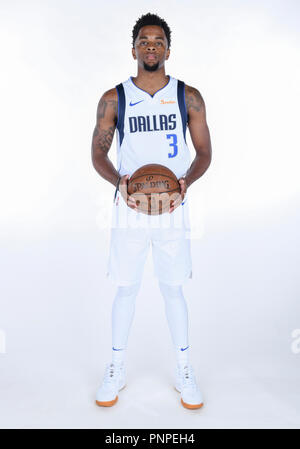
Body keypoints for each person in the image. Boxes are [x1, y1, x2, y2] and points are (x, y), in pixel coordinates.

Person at [91, 12, 212, 409]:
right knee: (126, 287)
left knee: (172, 288)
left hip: (173, 207)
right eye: (144, 40)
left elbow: (205, 152)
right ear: (133, 49)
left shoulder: (187, 95)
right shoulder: (115, 98)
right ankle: (116, 366)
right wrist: (119, 183)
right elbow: (97, 152)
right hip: (130, 207)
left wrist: (185, 183)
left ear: (168, 49)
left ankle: (183, 368)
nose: (151, 46)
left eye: (158, 40)